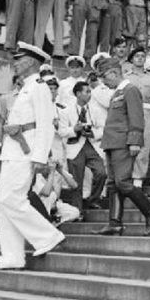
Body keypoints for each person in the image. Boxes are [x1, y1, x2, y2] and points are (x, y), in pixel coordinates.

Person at [0, 43, 66, 270]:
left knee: (13, 200)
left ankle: (48, 236)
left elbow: (46, 123)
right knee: (4, 204)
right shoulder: (25, 88)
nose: (15, 64)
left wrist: (40, 156)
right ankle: (12, 256)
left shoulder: (39, 86)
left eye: (19, 60)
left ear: (31, 62)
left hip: (26, 151)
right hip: (13, 150)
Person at [93, 58, 150, 236]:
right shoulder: (118, 91)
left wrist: (135, 141)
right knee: (113, 184)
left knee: (123, 182)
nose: (103, 82)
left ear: (113, 73)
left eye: (104, 77)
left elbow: (136, 117)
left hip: (123, 143)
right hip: (113, 143)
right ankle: (115, 222)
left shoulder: (130, 90)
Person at [57, 81, 106, 218]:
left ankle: (93, 199)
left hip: (91, 145)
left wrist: (94, 134)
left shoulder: (96, 110)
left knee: (101, 173)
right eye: (87, 92)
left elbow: (103, 128)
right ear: (78, 94)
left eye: (90, 91)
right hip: (75, 147)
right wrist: (74, 129)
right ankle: (77, 210)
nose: (89, 94)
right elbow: (61, 131)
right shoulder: (66, 111)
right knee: (76, 181)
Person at [125, 46, 150, 188]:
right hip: (129, 112)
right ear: (131, 60)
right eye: (136, 56)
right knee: (129, 143)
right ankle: (126, 177)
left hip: (147, 111)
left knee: (144, 146)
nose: (140, 58)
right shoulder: (126, 77)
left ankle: (138, 179)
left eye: (142, 56)